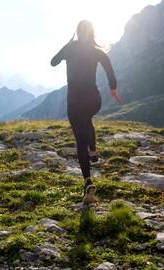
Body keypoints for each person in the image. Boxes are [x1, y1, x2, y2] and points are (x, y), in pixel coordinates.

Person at [51, 20, 122, 204]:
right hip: (94, 100)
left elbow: (53, 62)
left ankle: (88, 182)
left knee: (79, 139)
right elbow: (109, 68)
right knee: (86, 121)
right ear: (92, 33)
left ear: (77, 32)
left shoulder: (70, 48)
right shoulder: (96, 51)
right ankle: (94, 152)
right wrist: (113, 89)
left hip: (75, 102)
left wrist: (66, 46)